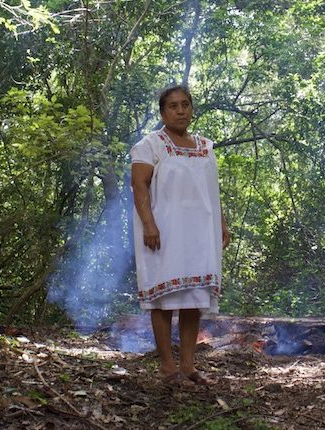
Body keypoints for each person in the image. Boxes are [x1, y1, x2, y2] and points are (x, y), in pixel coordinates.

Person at [130, 85, 230, 386]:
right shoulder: (151, 145)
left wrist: (221, 224)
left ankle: (188, 365)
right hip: (163, 232)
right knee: (162, 298)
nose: (180, 110)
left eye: (185, 105)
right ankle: (167, 366)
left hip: (200, 232)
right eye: (173, 106)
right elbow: (139, 186)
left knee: (193, 297)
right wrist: (149, 224)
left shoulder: (204, 146)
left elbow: (212, 191)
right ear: (163, 112)